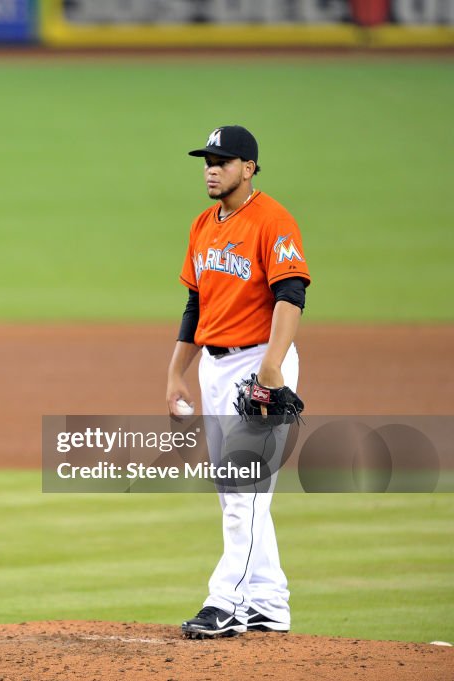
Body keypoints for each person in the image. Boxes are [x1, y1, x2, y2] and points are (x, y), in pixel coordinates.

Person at [165, 125, 311, 639]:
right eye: (207, 159)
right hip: (215, 367)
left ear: (248, 168)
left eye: (222, 160)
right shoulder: (203, 224)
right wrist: (176, 371)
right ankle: (269, 602)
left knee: (241, 488)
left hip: (259, 365)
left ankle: (225, 601)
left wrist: (272, 369)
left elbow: (292, 293)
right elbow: (195, 304)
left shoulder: (273, 221)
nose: (211, 167)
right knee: (238, 494)